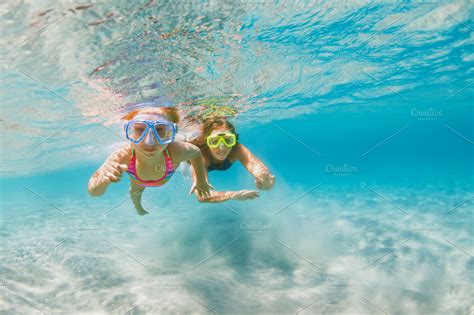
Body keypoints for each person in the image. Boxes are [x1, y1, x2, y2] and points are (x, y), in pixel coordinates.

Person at [88, 106, 213, 215]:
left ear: (171, 132)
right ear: (129, 131)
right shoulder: (122, 155)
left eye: (159, 130)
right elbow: (94, 192)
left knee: (136, 191)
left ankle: (182, 137)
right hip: (138, 181)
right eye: (140, 130)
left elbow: (196, 153)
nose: (150, 141)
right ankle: (138, 208)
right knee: (135, 193)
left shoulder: (175, 150)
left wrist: (200, 181)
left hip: (162, 172)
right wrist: (103, 181)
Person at [190, 117, 275, 203]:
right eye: (215, 141)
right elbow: (202, 196)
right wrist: (231, 195)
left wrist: (265, 180)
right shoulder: (199, 156)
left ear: (234, 140)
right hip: (187, 164)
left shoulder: (237, 149)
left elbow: (256, 167)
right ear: (207, 142)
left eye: (228, 140)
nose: (222, 147)